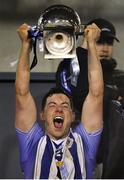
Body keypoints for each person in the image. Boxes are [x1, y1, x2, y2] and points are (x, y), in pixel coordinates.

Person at [15, 22, 103, 179]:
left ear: (73, 115)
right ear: (42, 115)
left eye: (65, 106)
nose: (58, 109)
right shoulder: (32, 143)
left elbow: (96, 94)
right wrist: (25, 44)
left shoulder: (85, 141)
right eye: (52, 105)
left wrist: (91, 43)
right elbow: (22, 93)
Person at [56, 18, 124, 178]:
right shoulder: (74, 72)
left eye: (109, 43)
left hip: (112, 160)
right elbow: (77, 95)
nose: (105, 48)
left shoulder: (120, 77)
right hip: (76, 156)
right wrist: (86, 45)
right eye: (99, 42)